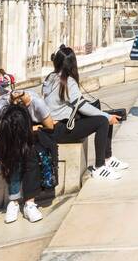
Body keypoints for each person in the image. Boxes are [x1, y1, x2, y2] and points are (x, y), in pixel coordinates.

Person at [42, 46, 126, 179]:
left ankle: (108, 158)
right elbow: (82, 106)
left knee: (102, 115)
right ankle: (100, 167)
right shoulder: (67, 81)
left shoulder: (49, 78)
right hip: (62, 129)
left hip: (54, 128)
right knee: (102, 120)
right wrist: (107, 116)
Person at [0, 88, 55, 224]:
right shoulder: (4, 105)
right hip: (10, 139)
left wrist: (34, 128)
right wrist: (9, 99)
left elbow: (50, 126)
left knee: (30, 158)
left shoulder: (36, 102)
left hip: (30, 139)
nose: (18, 101)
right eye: (15, 100)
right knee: (12, 159)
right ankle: (13, 202)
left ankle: (29, 203)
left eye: (21, 100)